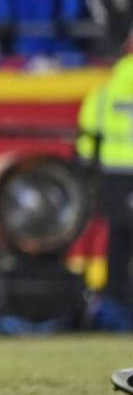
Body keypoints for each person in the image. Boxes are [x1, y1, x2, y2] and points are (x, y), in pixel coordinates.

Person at [77, 54, 133, 330]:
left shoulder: (108, 88)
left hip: (116, 173)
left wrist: (90, 170)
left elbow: (89, 134)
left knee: (119, 241)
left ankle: (117, 304)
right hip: (119, 172)